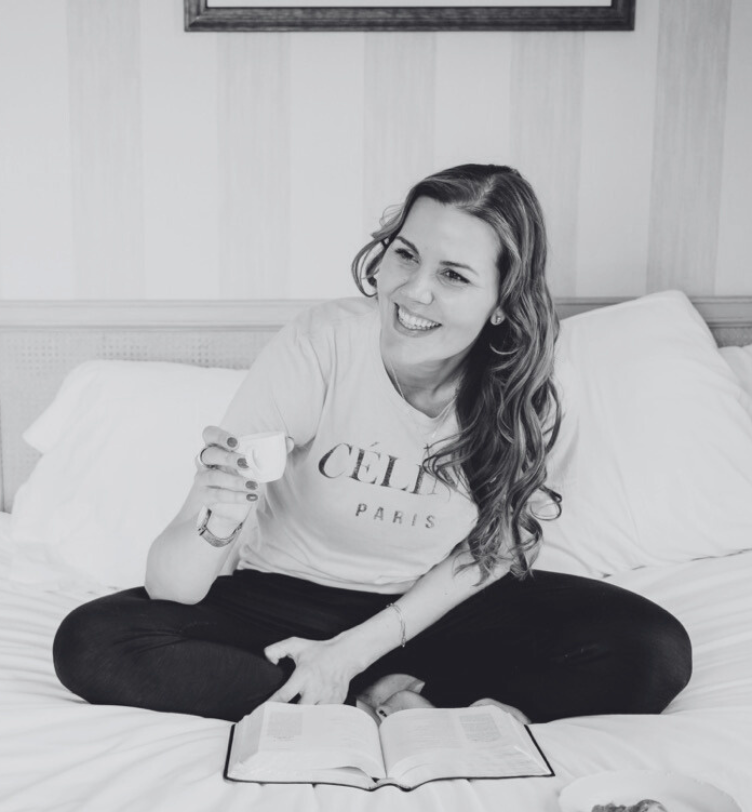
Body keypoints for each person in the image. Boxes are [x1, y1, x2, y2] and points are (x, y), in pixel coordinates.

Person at [53, 164, 692, 724]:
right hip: (286, 596)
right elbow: (173, 592)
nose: (414, 291)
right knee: (92, 641)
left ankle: (343, 684)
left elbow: (491, 554)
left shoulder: (527, 392)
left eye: (454, 275)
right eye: (406, 255)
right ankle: (376, 697)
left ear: (502, 301)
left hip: (430, 611)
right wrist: (212, 514)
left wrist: (355, 650)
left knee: (653, 649)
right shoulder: (323, 343)